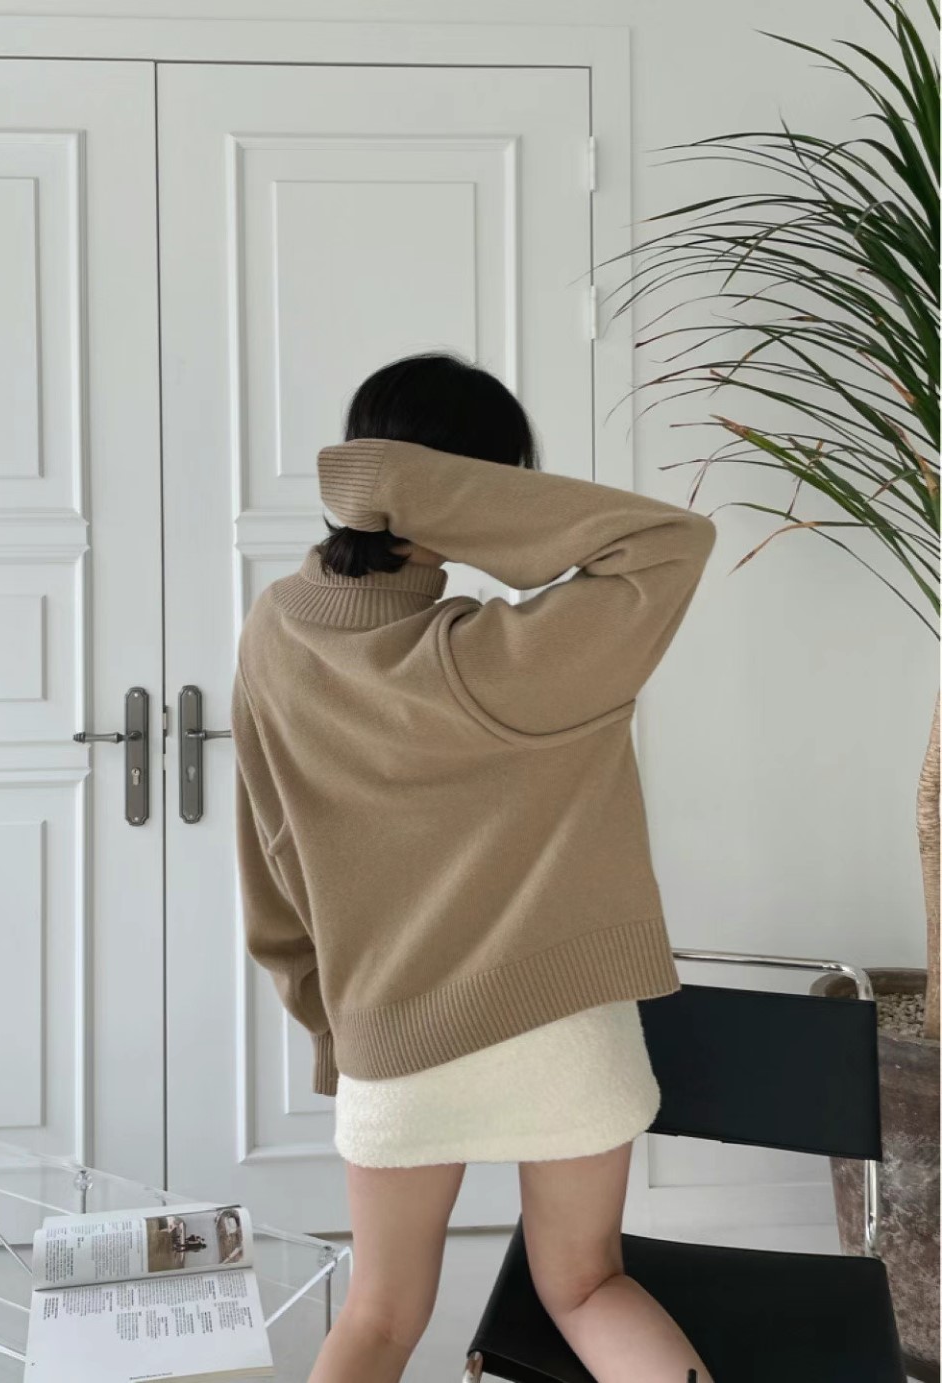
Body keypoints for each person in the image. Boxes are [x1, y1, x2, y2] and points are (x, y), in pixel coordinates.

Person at [231, 353, 717, 1383]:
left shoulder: (275, 633)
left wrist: (334, 1027)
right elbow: (671, 541)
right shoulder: (523, 658)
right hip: (566, 1025)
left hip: (392, 1028)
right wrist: (442, 493)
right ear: (481, 488)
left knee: (377, 1319)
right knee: (586, 1287)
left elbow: (271, 859)